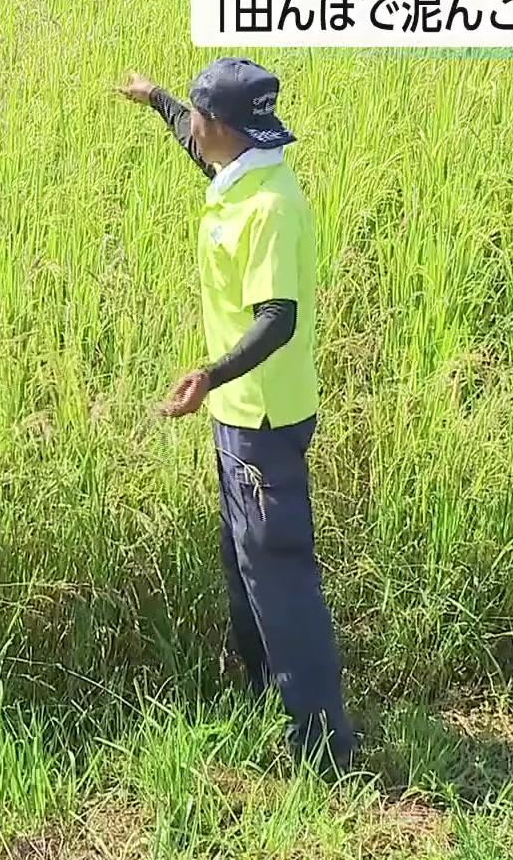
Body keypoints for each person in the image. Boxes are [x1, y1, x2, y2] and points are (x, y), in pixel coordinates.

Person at [117, 57, 355, 770]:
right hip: (239, 413)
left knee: (279, 579)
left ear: (220, 125)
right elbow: (194, 148)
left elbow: (278, 317)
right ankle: (261, 702)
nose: (191, 127)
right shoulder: (240, 174)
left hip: (264, 420)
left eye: (195, 114)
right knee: (245, 564)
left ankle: (323, 749)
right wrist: (155, 99)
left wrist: (210, 374)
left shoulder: (269, 207)